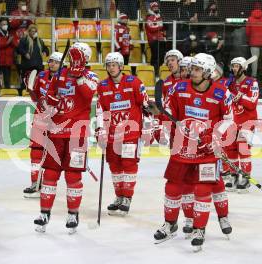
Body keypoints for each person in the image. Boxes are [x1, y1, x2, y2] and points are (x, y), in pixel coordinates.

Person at [153, 53, 233, 252]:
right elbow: (168, 107)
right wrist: (158, 114)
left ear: (207, 72)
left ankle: (199, 229)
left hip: (207, 150)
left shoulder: (222, 93)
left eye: (197, 69)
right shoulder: (179, 88)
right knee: (172, 187)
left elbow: (229, 120)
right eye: (192, 69)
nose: (192, 72)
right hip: (182, 146)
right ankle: (170, 224)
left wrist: (214, 137)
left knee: (203, 190)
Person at [33, 43, 99, 234]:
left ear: (84, 58)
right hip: (56, 132)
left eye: (76, 56)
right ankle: (44, 213)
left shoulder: (91, 76)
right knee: (50, 175)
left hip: (76, 134)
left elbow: (87, 96)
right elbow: (49, 99)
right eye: (71, 56)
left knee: (72, 176)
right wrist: (50, 102)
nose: (72, 59)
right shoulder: (60, 74)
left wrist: (78, 76)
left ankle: (73, 214)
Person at [95, 52, 149, 216]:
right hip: (113, 134)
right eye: (109, 65)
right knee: (115, 165)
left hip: (131, 133)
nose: (111, 68)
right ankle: (119, 197)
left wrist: (147, 128)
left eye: (114, 64)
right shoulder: (102, 86)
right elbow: (100, 110)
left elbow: (145, 105)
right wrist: (100, 131)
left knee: (128, 164)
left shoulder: (134, 82)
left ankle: (127, 197)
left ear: (121, 66)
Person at [23, 51, 63, 198]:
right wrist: (31, 90)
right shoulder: (41, 76)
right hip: (40, 118)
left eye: (56, 62)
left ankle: (48, 182)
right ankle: (35, 182)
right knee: (35, 151)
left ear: (61, 64)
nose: (52, 64)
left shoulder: (65, 79)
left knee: (52, 154)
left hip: (56, 121)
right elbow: (36, 99)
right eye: (51, 61)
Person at [224, 57, 259, 192]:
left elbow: (252, 103)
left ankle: (245, 178)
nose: (234, 68)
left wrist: (241, 96)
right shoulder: (230, 82)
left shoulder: (252, 82)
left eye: (237, 66)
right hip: (232, 121)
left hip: (247, 121)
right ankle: (233, 175)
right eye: (233, 66)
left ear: (244, 68)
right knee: (230, 150)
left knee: (243, 149)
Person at [17, 24, 49, 94]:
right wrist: (25, 53)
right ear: (29, 32)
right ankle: (23, 95)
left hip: (38, 66)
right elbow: (19, 49)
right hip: (27, 66)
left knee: (37, 82)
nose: (33, 33)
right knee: (26, 82)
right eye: (32, 31)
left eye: (35, 31)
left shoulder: (40, 41)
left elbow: (46, 48)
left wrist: (45, 52)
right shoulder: (24, 40)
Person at [246, 3, 262, 80]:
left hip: (254, 43)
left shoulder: (250, 19)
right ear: (261, 9)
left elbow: (247, 32)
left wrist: (249, 38)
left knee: (254, 60)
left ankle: (254, 76)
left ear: (254, 8)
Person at [0, 18, 16, 89]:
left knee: (7, 81)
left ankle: (7, 93)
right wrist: (8, 41)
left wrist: (11, 41)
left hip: (8, 61)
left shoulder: (10, 34)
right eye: (3, 24)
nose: (5, 26)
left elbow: (15, 45)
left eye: (6, 24)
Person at [145, 2, 166, 75]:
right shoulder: (149, 17)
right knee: (155, 56)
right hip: (153, 39)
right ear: (151, 8)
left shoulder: (159, 16)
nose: (156, 8)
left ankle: (159, 71)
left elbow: (162, 27)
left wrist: (158, 26)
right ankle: (154, 72)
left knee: (161, 55)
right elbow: (151, 28)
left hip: (160, 39)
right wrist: (159, 26)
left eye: (157, 7)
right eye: (154, 7)